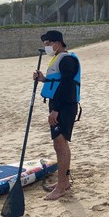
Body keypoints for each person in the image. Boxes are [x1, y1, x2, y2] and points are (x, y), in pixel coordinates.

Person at [34, 30, 81, 200]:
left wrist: (56, 109)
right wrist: (44, 79)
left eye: (48, 43)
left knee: (60, 144)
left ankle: (62, 186)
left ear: (58, 43)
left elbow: (68, 85)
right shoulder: (59, 59)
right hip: (59, 104)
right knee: (59, 144)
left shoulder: (67, 59)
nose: (46, 47)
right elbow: (59, 82)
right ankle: (64, 181)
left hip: (64, 106)